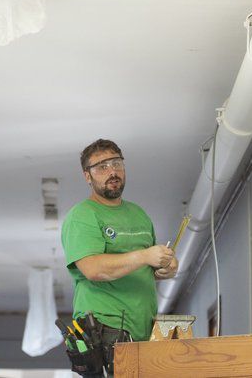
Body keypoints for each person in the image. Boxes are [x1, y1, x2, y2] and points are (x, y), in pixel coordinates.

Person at [61, 139, 178, 375]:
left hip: (143, 328)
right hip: (105, 332)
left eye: (116, 163)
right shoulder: (83, 215)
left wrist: (165, 267)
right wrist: (145, 256)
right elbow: (94, 269)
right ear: (87, 176)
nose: (112, 171)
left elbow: (141, 266)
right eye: (102, 166)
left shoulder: (138, 214)